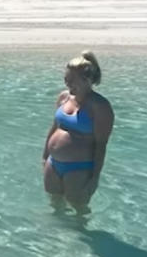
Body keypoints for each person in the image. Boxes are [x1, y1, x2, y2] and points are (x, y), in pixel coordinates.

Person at [42, 51, 114, 214]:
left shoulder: (100, 107)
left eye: (72, 80)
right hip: (53, 164)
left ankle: (80, 239)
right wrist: (45, 156)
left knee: (79, 210)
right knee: (55, 205)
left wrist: (94, 178)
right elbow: (54, 127)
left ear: (87, 80)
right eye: (66, 79)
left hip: (79, 168)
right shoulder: (63, 98)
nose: (68, 84)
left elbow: (101, 145)